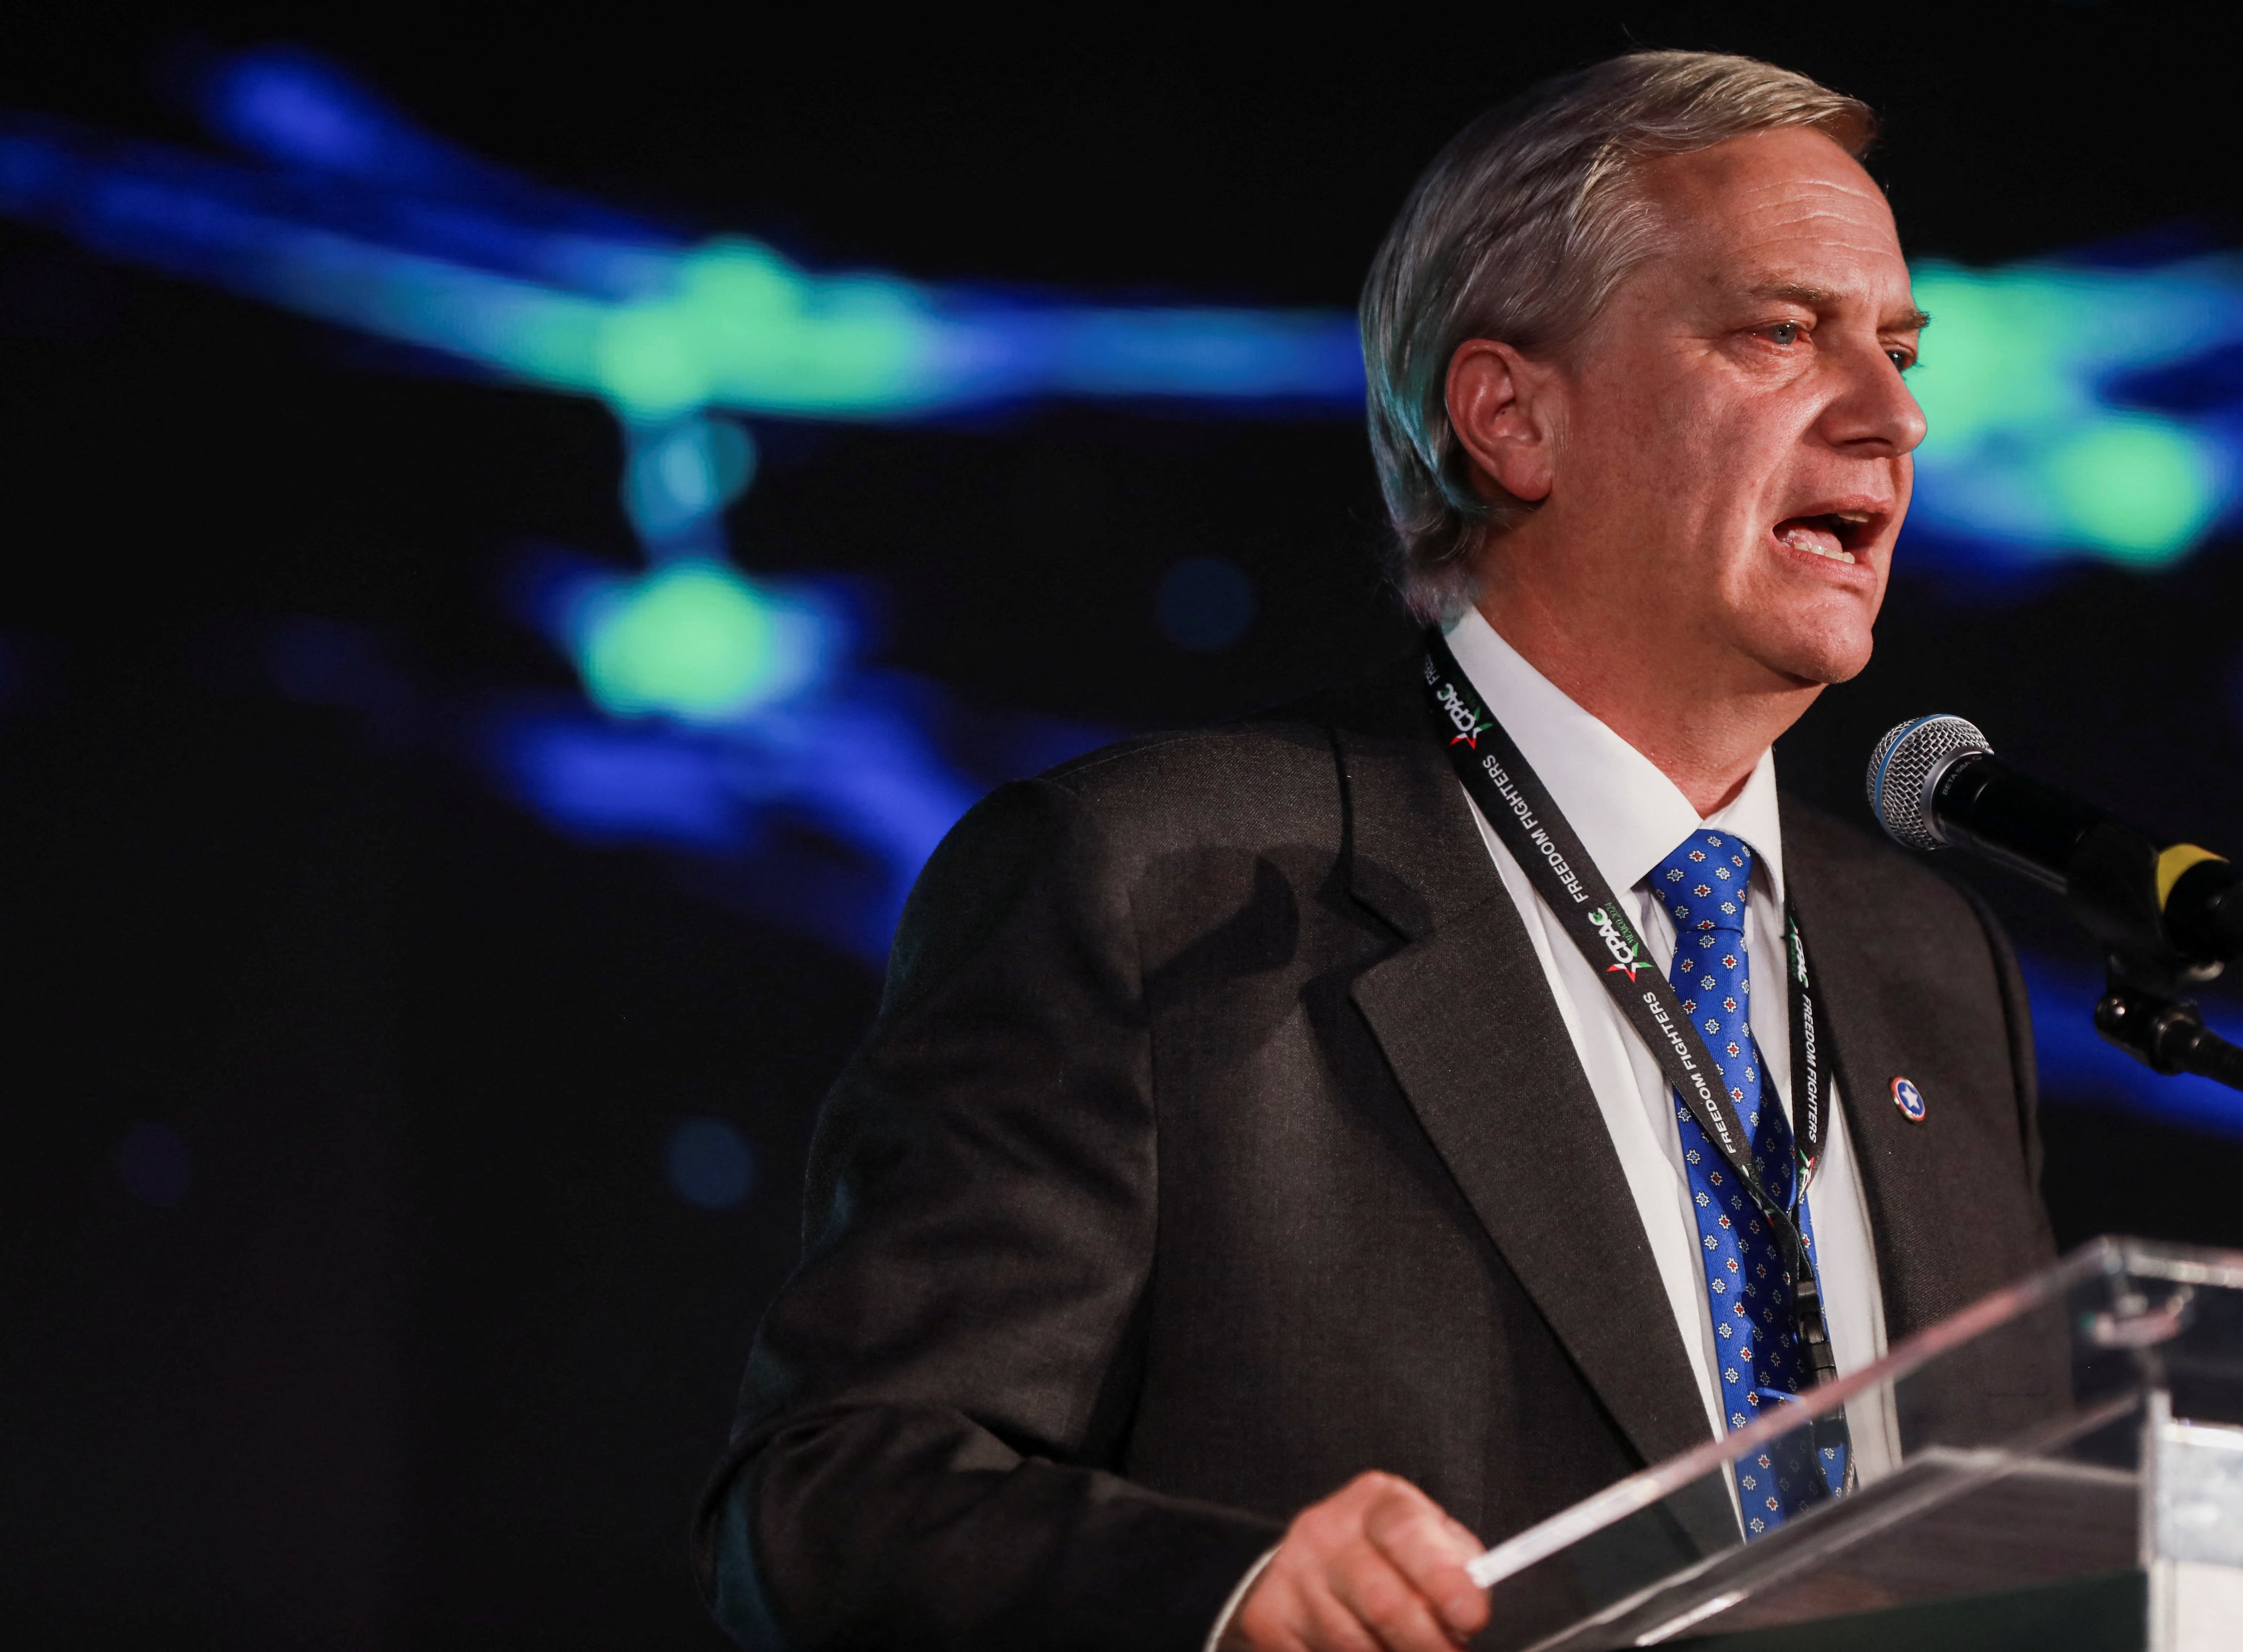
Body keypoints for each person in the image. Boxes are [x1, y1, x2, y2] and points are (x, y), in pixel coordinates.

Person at [695, 49, 2061, 1652]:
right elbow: (828, 1507)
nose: (1895, 416)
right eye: (1780, 331)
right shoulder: (1155, 886)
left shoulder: (1926, 960)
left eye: (1898, 348)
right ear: (1513, 419)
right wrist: (1228, 1597)